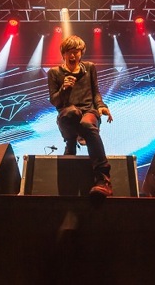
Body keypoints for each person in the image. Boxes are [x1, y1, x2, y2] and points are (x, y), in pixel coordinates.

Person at [48, 35, 114, 197]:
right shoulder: (54, 73)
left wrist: (102, 106)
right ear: (63, 54)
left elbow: (96, 92)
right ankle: (71, 141)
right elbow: (54, 101)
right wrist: (64, 89)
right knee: (72, 113)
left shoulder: (90, 68)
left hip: (89, 112)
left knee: (86, 124)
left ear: (81, 53)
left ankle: (103, 180)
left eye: (76, 52)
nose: (73, 56)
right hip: (67, 114)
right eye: (69, 52)